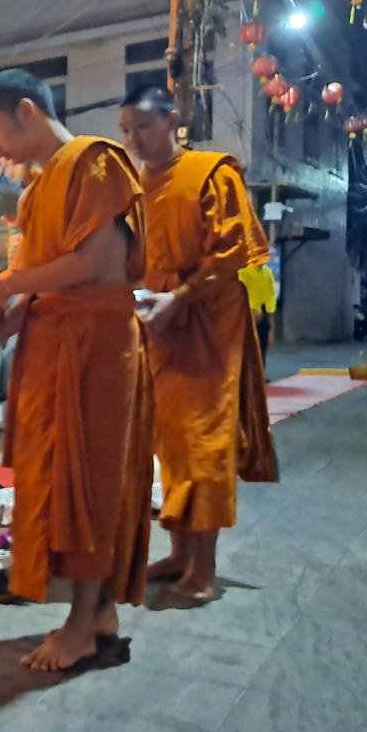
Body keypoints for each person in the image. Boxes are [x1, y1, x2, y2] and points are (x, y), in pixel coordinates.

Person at [0, 70, 152, 672]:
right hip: (52, 344)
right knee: (59, 481)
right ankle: (96, 613)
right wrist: (0, 327)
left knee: (93, 481)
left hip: (98, 345)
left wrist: (6, 287)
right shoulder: (33, 191)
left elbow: (95, 260)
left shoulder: (93, 161)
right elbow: (40, 280)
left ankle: (79, 626)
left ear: (27, 111)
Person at [118, 85, 277, 603]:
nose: (134, 139)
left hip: (208, 325)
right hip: (161, 326)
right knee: (171, 443)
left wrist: (179, 298)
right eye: (126, 129)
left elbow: (232, 254)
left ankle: (203, 570)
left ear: (172, 120)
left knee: (203, 443)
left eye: (142, 126)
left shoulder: (212, 172)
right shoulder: (139, 184)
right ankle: (180, 553)